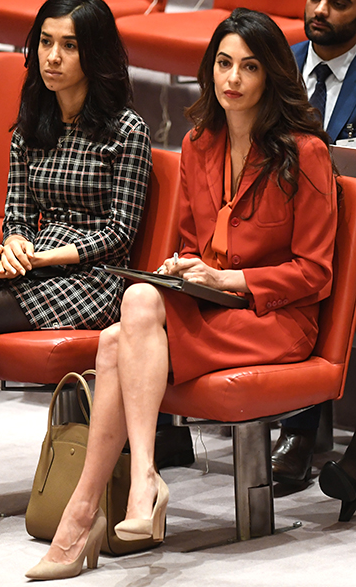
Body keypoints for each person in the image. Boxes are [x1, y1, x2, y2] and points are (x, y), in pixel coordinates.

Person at [25, 8, 338, 580]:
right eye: (223, 63)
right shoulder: (199, 144)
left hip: (276, 319)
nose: (232, 78)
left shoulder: (305, 152)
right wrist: (187, 268)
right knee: (133, 312)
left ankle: (88, 513)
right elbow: (198, 246)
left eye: (249, 67)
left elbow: (314, 273)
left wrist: (228, 281)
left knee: (120, 335)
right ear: (209, 69)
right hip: (213, 308)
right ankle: (127, 488)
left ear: (271, 74)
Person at [0, 0, 152, 526]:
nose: (52, 57)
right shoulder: (32, 122)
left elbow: (119, 234)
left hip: (94, 275)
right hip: (37, 257)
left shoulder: (126, 131)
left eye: (69, 45)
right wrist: (15, 242)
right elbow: (17, 211)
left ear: (94, 53)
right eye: (45, 42)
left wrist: (43, 254)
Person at [272, 0, 356, 486]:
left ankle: (300, 432)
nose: (320, 9)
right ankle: (165, 429)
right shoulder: (271, 62)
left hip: (349, 226)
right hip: (271, 220)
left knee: (318, 268)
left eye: (339, 2)